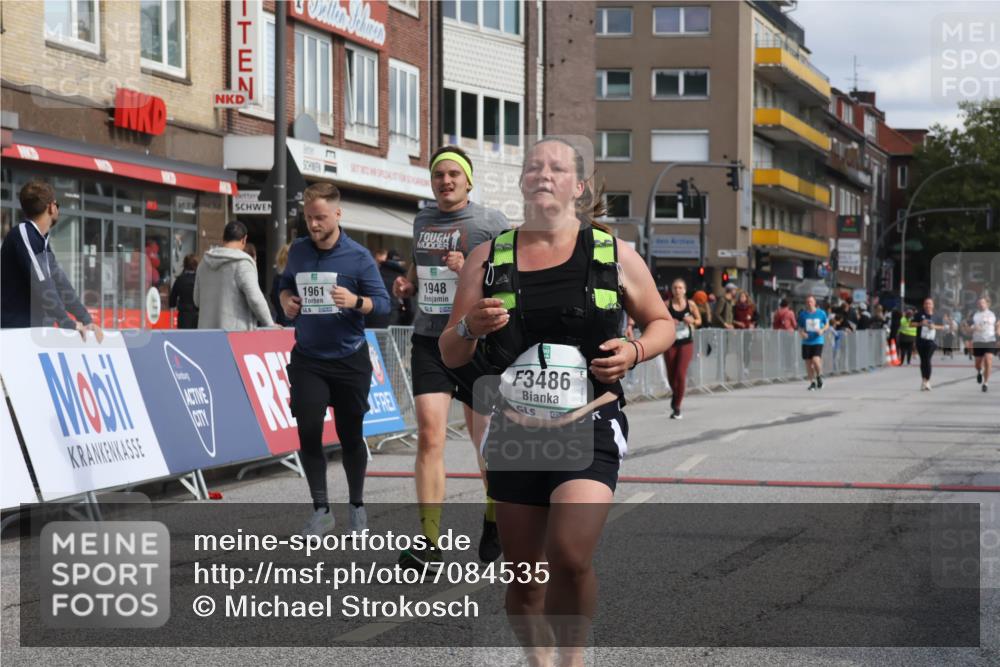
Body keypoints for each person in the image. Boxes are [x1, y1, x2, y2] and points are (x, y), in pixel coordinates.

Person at [439, 138, 673, 664]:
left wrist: (634, 350)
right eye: (533, 166)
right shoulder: (487, 257)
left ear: (579, 186)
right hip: (515, 430)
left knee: (568, 554)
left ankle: (572, 660)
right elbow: (450, 353)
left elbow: (664, 323)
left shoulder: (614, 255)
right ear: (522, 182)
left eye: (557, 166)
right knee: (525, 581)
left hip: (589, 420)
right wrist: (469, 326)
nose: (543, 173)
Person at [392, 146, 510, 567]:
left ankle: (495, 517)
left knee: (486, 443)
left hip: (476, 342)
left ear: (468, 180)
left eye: (453, 175)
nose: (445, 181)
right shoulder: (423, 219)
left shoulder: (490, 222)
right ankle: (428, 541)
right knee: (429, 434)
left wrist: (471, 271)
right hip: (429, 340)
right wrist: (407, 284)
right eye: (438, 175)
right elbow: (419, 264)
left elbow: (511, 278)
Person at [279, 182, 390, 536]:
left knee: (350, 436)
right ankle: (321, 509)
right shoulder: (297, 251)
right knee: (309, 431)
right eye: (309, 218)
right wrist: (284, 300)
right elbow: (283, 284)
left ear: (338, 214)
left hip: (348, 359)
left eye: (321, 218)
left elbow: (384, 306)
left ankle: (356, 505)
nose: (313, 225)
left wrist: (356, 301)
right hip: (309, 358)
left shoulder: (358, 257)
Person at [0, 179, 103, 341]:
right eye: (57, 205)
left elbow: (60, 283)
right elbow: (42, 283)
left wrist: (86, 319)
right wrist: (66, 321)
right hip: (16, 332)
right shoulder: (23, 233)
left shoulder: (41, 240)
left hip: (34, 331)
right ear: (51, 207)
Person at [194, 221, 275, 331]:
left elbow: (196, 300)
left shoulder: (203, 263)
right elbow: (255, 299)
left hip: (207, 336)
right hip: (235, 338)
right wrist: (270, 324)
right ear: (244, 239)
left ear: (223, 238)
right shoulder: (243, 263)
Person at [664, 278, 700, 419]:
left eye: (680, 287)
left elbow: (699, 320)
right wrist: (669, 322)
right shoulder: (666, 305)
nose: (677, 290)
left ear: (684, 290)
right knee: (671, 376)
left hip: (686, 342)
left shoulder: (690, 305)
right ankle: (676, 393)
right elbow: (659, 320)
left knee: (680, 374)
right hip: (670, 343)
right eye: (675, 287)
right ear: (672, 290)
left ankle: (677, 406)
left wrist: (692, 320)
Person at [365, 248, 407, 329]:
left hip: (371, 321)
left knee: (371, 342)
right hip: (393, 323)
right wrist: (405, 322)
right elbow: (411, 308)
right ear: (402, 263)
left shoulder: (374, 274)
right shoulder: (402, 278)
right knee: (390, 341)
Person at [797, 295, 829, 390]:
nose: (809, 303)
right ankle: (812, 382)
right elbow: (799, 328)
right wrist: (802, 333)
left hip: (817, 340)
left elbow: (827, 324)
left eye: (811, 301)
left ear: (815, 302)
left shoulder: (821, 313)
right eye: (807, 302)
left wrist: (822, 330)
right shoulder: (803, 315)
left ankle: (819, 375)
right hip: (806, 342)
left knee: (815, 360)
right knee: (808, 363)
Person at [911, 297, 943, 391]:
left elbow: (942, 327)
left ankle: (927, 380)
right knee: (923, 360)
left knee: (927, 359)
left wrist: (934, 326)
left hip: (932, 341)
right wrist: (921, 323)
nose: (928, 305)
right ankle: (924, 380)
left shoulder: (937, 315)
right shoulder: (919, 314)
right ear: (923, 305)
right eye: (926, 303)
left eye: (930, 304)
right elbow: (911, 324)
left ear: (933, 305)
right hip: (921, 340)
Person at [970, 297, 997, 392]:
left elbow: (998, 324)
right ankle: (979, 371)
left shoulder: (993, 314)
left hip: (990, 339)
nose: (981, 304)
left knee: (988, 359)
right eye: (979, 303)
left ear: (987, 304)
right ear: (977, 305)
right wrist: (973, 328)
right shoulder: (974, 315)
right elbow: (967, 326)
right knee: (978, 364)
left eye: (983, 303)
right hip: (978, 341)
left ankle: (985, 383)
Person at [169, 253, 199, 329]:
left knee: (184, 339)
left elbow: (172, 301)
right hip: (198, 316)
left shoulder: (180, 280)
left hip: (184, 316)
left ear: (184, 265)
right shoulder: (199, 280)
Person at [269, 243, 292, 327]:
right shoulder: (297, 280)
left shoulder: (277, 279)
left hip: (281, 323)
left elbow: (274, 299)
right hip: (295, 325)